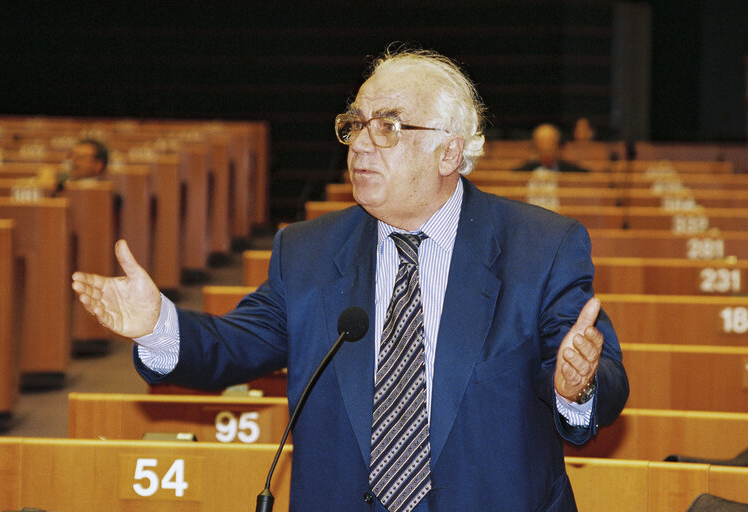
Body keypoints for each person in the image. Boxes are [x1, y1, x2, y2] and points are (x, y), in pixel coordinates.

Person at [72, 47, 628, 511]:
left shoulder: (540, 246)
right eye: (355, 125)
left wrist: (576, 386)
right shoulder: (308, 250)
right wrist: (157, 325)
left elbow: (598, 372)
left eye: (387, 126)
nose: (360, 143)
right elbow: (235, 345)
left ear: (449, 151)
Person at [515, 123, 590, 172]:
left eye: (550, 142)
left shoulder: (574, 171)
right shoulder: (523, 172)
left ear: (558, 145)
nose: (546, 147)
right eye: (542, 142)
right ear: (535, 146)